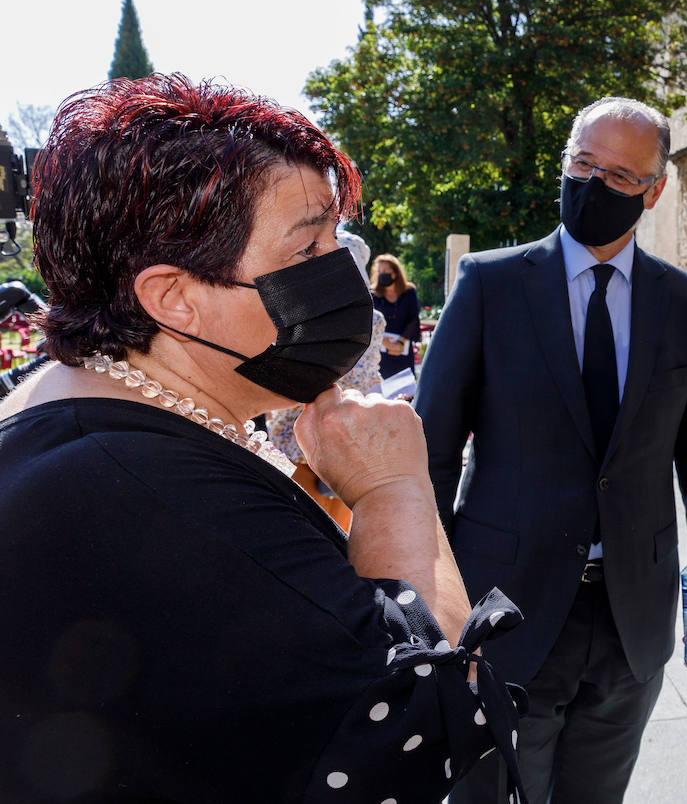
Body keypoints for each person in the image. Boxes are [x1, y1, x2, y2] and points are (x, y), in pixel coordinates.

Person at [0, 74, 526, 803]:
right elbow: (424, 710)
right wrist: (393, 489)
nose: (340, 274)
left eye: (336, 241)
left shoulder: (65, 405)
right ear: (173, 296)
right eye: (306, 249)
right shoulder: (158, 492)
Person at [415, 96, 687, 804]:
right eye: (582, 164)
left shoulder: (685, 303)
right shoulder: (489, 285)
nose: (594, 185)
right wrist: (433, 608)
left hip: (633, 620)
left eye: (621, 177)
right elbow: (432, 457)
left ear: (655, 190)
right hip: (506, 612)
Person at [266, 228, 388, 530]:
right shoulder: (375, 317)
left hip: (301, 423)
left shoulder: (305, 311)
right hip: (349, 422)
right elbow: (371, 370)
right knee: (342, 522)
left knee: (304, 521)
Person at [372, 252, 421, 381]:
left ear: (395, 273)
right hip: (380, 352)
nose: (381, 274)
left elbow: (413, 319)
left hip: (402, 350)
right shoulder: (373, 295)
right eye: (379, 271)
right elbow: (369, 322)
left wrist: (399, 343)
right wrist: (386, 343)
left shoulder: (409, 292)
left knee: (405, 392)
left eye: (385, 270)